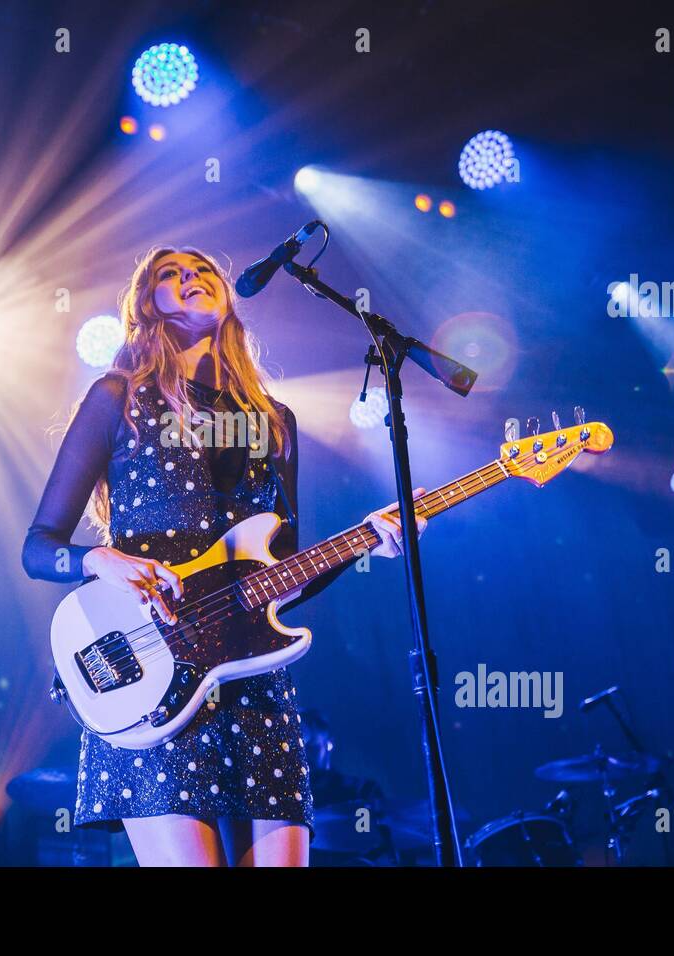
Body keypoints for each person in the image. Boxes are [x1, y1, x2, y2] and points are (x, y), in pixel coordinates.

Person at [22, 246, 425, 866]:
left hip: (255, 684)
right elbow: (38, 546)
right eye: (170, 275)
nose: (191, 278)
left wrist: (369, 536)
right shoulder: (118, 399)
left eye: (203, 271)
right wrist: (100, 560)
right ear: (145, 303)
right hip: (151, 675)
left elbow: (283, 576)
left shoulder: (275, 419)